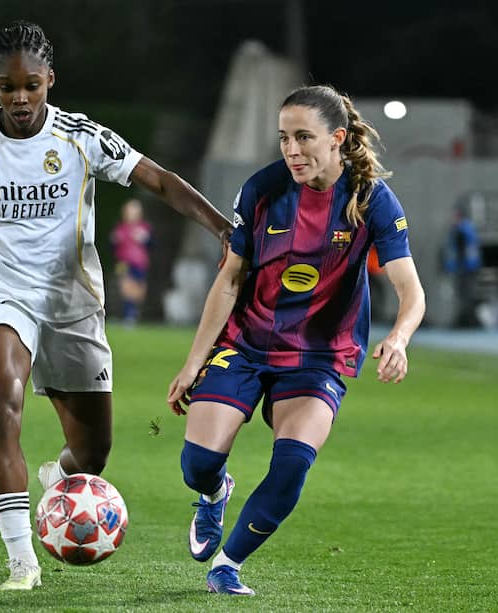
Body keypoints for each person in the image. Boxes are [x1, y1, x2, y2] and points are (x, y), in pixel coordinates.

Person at [0, 20, 231, 591]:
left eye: (32, 85)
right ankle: (22, 562)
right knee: (3, 404)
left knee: (93, 452)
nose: (20, 98)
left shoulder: (82, 138)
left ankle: (59, 476)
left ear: (51, 79)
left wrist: (223, 228)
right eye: (7, 87)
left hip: (73, 304)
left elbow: (160, 180)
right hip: (1, 297)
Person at [166, 85, 425, 595]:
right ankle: (215, 491)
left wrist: (399, 338)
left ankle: (229, 563)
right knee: (197, 464)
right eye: (284, 138)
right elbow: (229, 280)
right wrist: (193, 361)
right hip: (245, 344)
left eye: (304, 137)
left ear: (337, 139)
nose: (291, 150)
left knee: (290, 466)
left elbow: (410, 289)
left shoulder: (370, 198)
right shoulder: (261, 190)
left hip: (319, 358)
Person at [110, 198, 153, 326]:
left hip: (140, 264)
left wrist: (145, 239)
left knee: (138, 291)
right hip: (123, 263)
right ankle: (128, 315)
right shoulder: (121, 228)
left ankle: (133, 313)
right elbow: (113, 247)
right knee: (125, 287)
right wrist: (114, 240)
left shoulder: (144, 228)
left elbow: (152, 245)